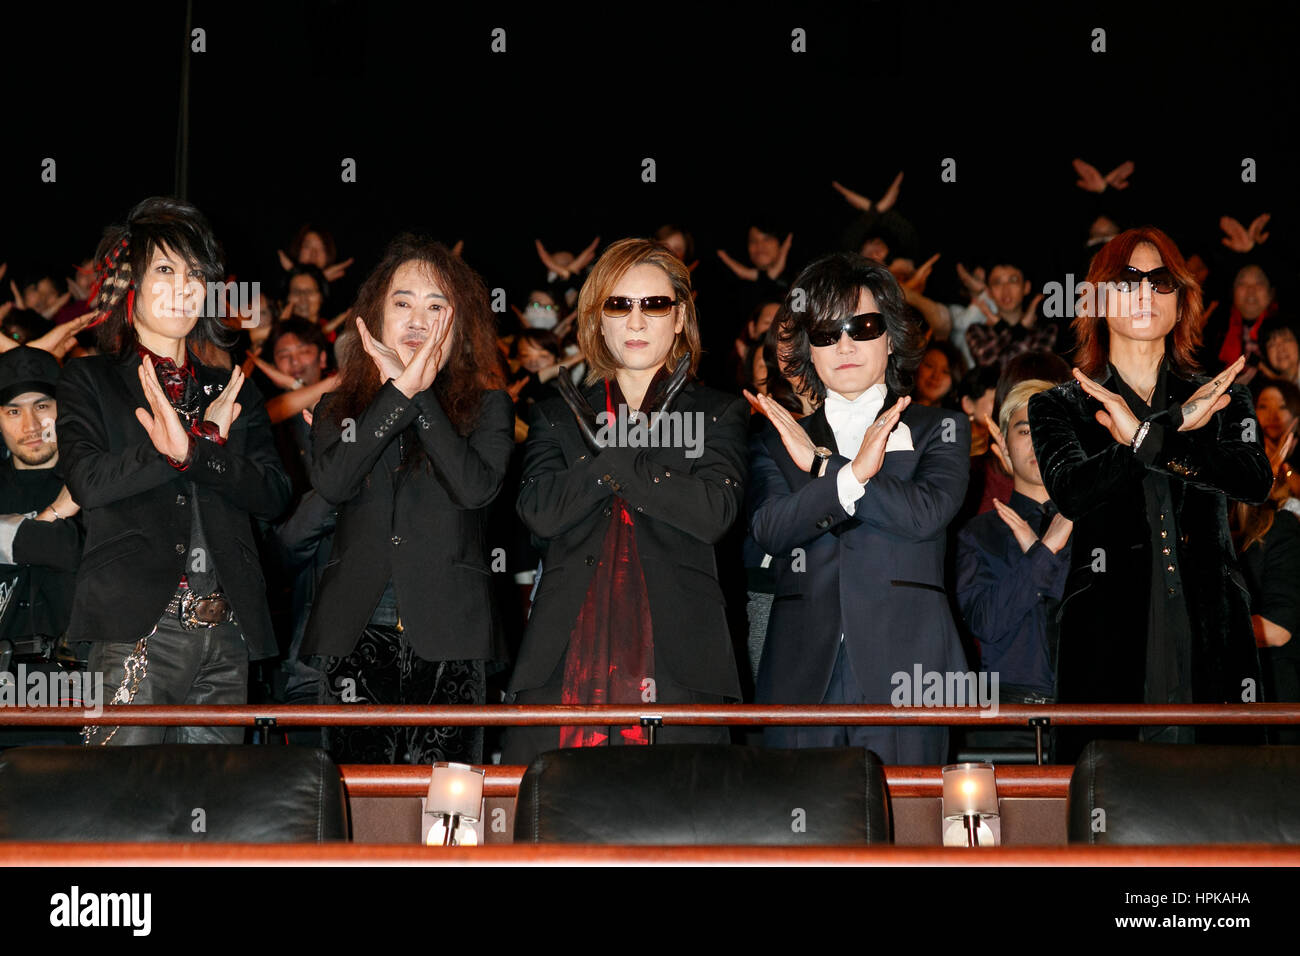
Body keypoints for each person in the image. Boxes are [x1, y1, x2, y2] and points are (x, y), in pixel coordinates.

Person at [1027, 226, 1272, 762]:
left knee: (1223, 809)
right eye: (1126, 279)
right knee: (1109, 810)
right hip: (1105, 633)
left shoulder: (1221, 395)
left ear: (1182, 299)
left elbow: (1254, 479)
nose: (1144, 293)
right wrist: (1173, 427)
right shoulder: (1059, 405)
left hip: (1211, 627)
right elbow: (1073, 492)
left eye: (1160, 281)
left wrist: (1146, 438)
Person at [503, 238, 748, 764]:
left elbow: (713, 514)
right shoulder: (555, 414)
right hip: (561, 663)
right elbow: (540, 512)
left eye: (654, 304)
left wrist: (615, 457)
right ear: (598, 320)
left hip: (681, 666)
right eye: (619, 304)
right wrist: (620, 457)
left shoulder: (717, 413)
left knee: (681, 834)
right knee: (550, 834)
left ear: (679, 317)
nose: (636, 321)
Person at [57, 196, 291, 745]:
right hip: (134, 628)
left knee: (209, 812)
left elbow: (275, 495)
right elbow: (88, 482)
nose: (184, 286)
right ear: (130, 283)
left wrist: (201, 447)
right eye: (165, 269)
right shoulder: (89, 380)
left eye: (196, 274)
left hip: (227, 631)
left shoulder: (231, 387)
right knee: (126, 812)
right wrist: (170, 452)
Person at [747, 252, 971, 764]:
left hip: (911, 669)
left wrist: (827, 470)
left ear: (889, 338)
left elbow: (925, 515)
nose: (844, 344)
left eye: (862, 326)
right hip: (801, 670)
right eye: (826, 333)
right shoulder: (780, 439)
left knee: (909, 834)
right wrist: (849, 475)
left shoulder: (942, 428)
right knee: (803, 836)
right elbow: (771, 530)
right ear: (808, 349)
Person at [300, 235, 513, 766]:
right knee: (358, 806)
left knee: (447, 809)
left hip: (451, 636)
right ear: (376, 315)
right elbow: (334, 483)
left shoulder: (488, 407)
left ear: (457, 323)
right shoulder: (337, 407)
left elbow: (476, 487)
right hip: (355, 632)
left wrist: (418, 397)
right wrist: (396, 395)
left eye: (435, 305)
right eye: (403, 302)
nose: (418, 318)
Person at [956, 379, 1073, 754]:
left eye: (1049, 429)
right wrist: (1047, 551)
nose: (1038, 440)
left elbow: (1096, 617)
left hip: (1087, 716)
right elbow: (987, 622)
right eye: (1025, 429)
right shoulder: (978, 533)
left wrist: (1038, 553)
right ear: (1004, 445)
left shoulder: (1097, 529)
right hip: (1002, 719)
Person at [0, 347, 85, 747]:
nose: (31, 425)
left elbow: (77, 552)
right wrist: (53, 516)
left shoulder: (97, 479)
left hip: (84, 684)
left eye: (42, 405)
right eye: (13, 411)